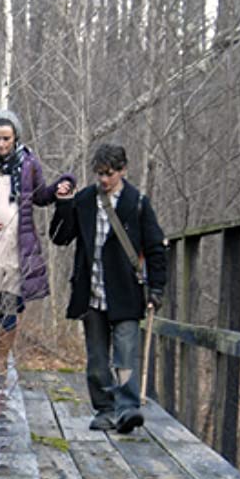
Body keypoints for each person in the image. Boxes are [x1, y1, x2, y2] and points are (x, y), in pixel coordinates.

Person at [50, 143, 166, 433]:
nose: (104, 179)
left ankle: (127, 409)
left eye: (109, 173)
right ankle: (105, 409)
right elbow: (60, 237)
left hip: (125, 291)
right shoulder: (85, 200)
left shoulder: (137, 203)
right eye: (99, 173)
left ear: (123, 170)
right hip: (91, 291)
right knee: (97, 359)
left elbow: (155, 248)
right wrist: (63, 204)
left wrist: (157, 288)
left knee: (125, 354)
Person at [0, 109, 73, 374]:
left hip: (17, 244)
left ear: (15, 137)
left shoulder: (29, 163)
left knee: (9, 303)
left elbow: (40, 196)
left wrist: (59, 187)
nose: (1, 144)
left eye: (6, 138)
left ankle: (0, 361)